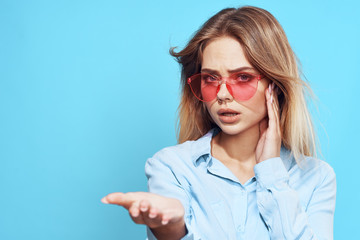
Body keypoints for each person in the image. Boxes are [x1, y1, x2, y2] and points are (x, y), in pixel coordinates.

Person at [101, 6, 336, 240]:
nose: (222, 94)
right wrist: (172, 230)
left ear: (275, 85)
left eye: (243, 77)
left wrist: (272, 173)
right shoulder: (172, 167)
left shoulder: (316, 178)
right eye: (210, 78)